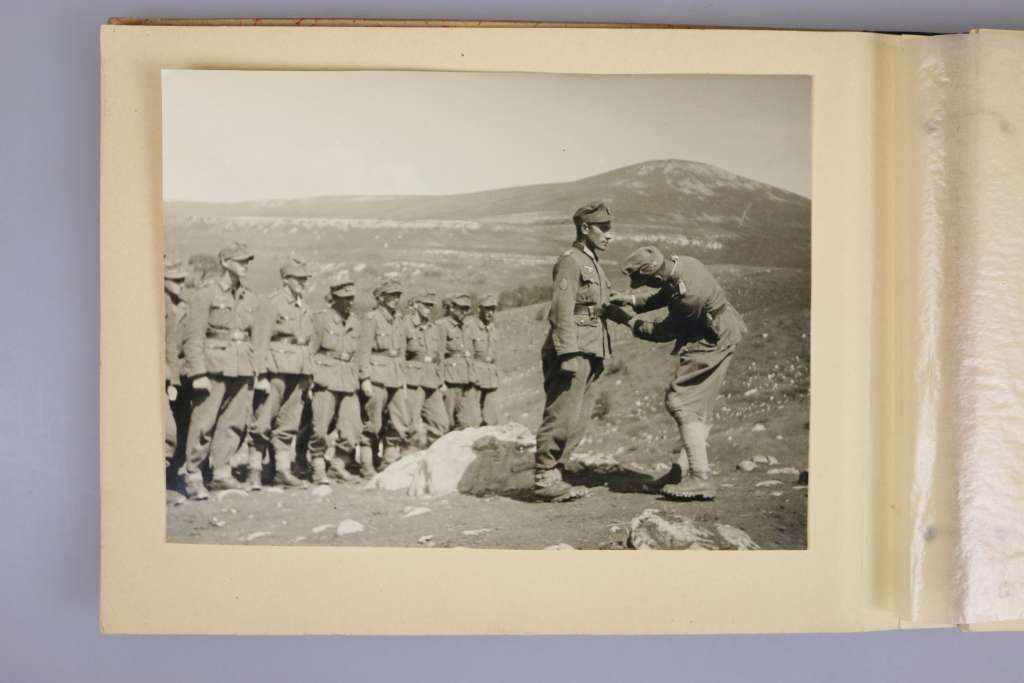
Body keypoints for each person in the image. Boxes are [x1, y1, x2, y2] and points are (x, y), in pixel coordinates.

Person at [604, 245, 747, 501]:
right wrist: (631, 300)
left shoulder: (688, 297)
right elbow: (664, 294)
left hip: (712, 338)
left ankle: (700, 478)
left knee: (680, 401)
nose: (647, 286)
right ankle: (682, 471)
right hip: (722, 329)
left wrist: (625, 319)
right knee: (698, 405)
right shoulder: (683, 265)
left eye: (646, 282)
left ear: (656, 276)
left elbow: (662, 332)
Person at [532, 201, 615, 502]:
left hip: (590, 349)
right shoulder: (570, 260)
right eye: (603, 228)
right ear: (585, 228)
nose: (610, 235)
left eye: (609, 227)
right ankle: (544, 475)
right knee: (562, 414)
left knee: (578, 418)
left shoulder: (593, 263)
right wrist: (567, 353)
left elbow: (600, 306)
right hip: (573, 350)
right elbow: (562, 310)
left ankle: (558, 470)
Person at [180, 242, 259, 500]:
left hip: (242, 366)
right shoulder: (207, 293)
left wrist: (256, 369)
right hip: (213, 368)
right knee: (204, 422)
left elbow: (252, 336)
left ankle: (222, 473)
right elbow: (193, 337)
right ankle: (192, 474)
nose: (246, 265)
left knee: (234, 422)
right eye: (240, 260)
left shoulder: (248, 295)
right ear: (225, 262)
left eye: (248, 261)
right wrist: (198, 373)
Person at [249, 256, 316, 490]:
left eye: (304, 279)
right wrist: (261, 374)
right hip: (275, 368)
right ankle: (254, 470)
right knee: (263, 420)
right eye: (298, 278)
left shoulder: (304, 307)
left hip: (298, 370)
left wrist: (309, 374)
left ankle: (282, 470)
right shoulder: (272, 303)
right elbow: (260, 339)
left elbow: (307, 342)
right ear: (285, 279)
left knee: (289, 422)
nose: (302, 283)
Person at [307, 270, 365, 484]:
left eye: (352, 298)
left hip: (348, 379)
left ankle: (338, 465)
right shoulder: (321, 319)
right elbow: (310, 351)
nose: (350, 302)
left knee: (352, 428)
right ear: (335, 298)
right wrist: (310, 379)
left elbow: (358, 354)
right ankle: (318, 467)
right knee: (320, 428)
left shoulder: (356, 322)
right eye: (345, 298)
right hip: (326, 378)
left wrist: (362, 378)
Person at [358, 279, 410, 472]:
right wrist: (365, 378)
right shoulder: (372, 318)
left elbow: (402, 351)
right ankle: (366, 463)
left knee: (399, 419)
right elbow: (363, 350)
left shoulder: (399, 319)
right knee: (373, 422)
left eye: (398, 295)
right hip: (377, 375)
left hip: (395, 375)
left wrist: (403, 379)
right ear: (381, 298)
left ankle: (388, 461)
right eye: (391, 295)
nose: (395, 299)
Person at [402, 290, 450, 448]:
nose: (429, 308)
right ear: (415, 305)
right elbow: (400, 356)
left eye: (431, 305)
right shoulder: (404, 325)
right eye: (425, 305)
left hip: (432, 379)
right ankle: (407, 460)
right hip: (412, 381)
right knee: (411, 424)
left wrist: (441, 381)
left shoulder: (435, 328)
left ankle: (431, 457)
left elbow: (440, 357)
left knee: (441, 423)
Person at [435, 293, 480, 429]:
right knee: (448, 419)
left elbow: (470, 352)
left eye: (466, 309)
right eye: (461, 308)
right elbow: (439, 355)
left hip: (467, 377)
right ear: (452, 308)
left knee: (468, 420)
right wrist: (441, 381)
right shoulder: (442, 325)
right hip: (451, 378)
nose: (464, 312)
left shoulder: (467, 325)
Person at [163, 258, 188, 467]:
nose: (181, 284)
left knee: (182, 422)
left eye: (182, 280)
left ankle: (174, 474)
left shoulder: (180, 306)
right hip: (164, 373)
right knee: (167, 429)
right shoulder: (159, 306)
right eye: (175, 280)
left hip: (179, 373)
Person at [466, 293, 501, 426]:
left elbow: (495, 355)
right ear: (479, 309)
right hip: (476, 376)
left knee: (492, 417)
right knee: (473, 419)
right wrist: (471, 376)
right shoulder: (471, 327)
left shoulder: (493, 328)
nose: (490, 313)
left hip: (491, 376)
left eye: (493, 309)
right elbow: (468, 354)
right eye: (487, 309)